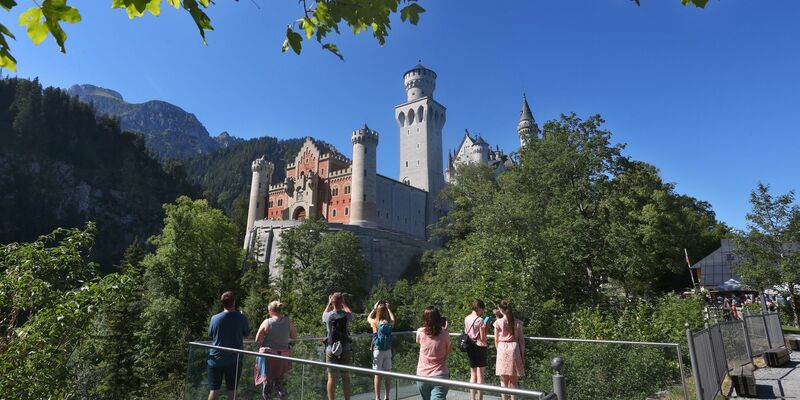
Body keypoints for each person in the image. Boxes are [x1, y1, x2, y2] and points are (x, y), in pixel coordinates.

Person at [207, 291, 250, 400]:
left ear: (223, 303)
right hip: (234, 359)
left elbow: (211, 334)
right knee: (232, 390)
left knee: (214, 390)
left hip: (216, 358)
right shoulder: (241, 317)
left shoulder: (214, 318)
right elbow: (246, 334)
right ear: (234, 302)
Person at [254, 300, 298, 400]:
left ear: (270, 310)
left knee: (267, 386)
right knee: (280, 382)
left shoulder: (267, 322)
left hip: (269, 357)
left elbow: (257, 340)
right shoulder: (288, 321)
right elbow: (295, 337)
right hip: (283, 357)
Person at [416, 306, 451, 400]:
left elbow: (419, 342)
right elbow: (448, 350)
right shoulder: (444, 334)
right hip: (440, 375)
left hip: (422, 375)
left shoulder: (420, 332)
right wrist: (445, 330)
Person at [323, 292, 354, 400]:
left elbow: (324, 314)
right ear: (341, 302)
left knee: (331, 378)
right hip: (345, 347)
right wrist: (344, 304)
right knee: (346, 377)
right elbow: (351, 314)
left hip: (331, 348)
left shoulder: (328, 316)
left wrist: (328, 303)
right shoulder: (346, 315)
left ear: (332, 302)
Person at [493, 300, 524, 400]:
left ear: (501, 310)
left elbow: (496, 340)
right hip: (514, 348)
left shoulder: (498, 322)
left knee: (503, 380)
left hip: (502, 348)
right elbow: (522, 341)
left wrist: (499, 350)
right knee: (514, 380)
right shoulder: (518, 322)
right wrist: (522, 354)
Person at [367, 300, 396, 400]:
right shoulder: (389, 323)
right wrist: (388, 308)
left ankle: (377, 397)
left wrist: (374, 309)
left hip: (377, 350)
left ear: (378, 312)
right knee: (388, 374)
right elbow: (393, 319)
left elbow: (368, 318)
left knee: (377, 375)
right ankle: (387, 396)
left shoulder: (375, 322)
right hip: (387, 350)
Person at [464, 299, 489, 400]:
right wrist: (486, 328)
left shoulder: (466, 318)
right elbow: (483, 338)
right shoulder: (480, 320)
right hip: (480, 347)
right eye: (482, 309)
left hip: (470, 347)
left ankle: (472, 398)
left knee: (472, 373)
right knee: (480, 374)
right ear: (479, 308)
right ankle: (480, 398)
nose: (482, 311)